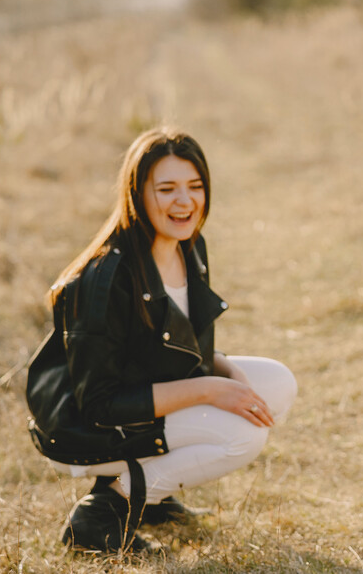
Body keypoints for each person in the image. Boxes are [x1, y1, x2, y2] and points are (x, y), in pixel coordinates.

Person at [25, 127, 297, 553]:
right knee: (244, 436)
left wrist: (224, 368)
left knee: (278, 383)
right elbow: (98, 403)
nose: (184, 201)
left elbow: (165, 348)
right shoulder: (105, 278)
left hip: (137, 402)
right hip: (85, 426)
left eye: (195, 186)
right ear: (137, 194)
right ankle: (104, 510)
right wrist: (211, 388)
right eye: (167, 188)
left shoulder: (189, 247)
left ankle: (153, 498)